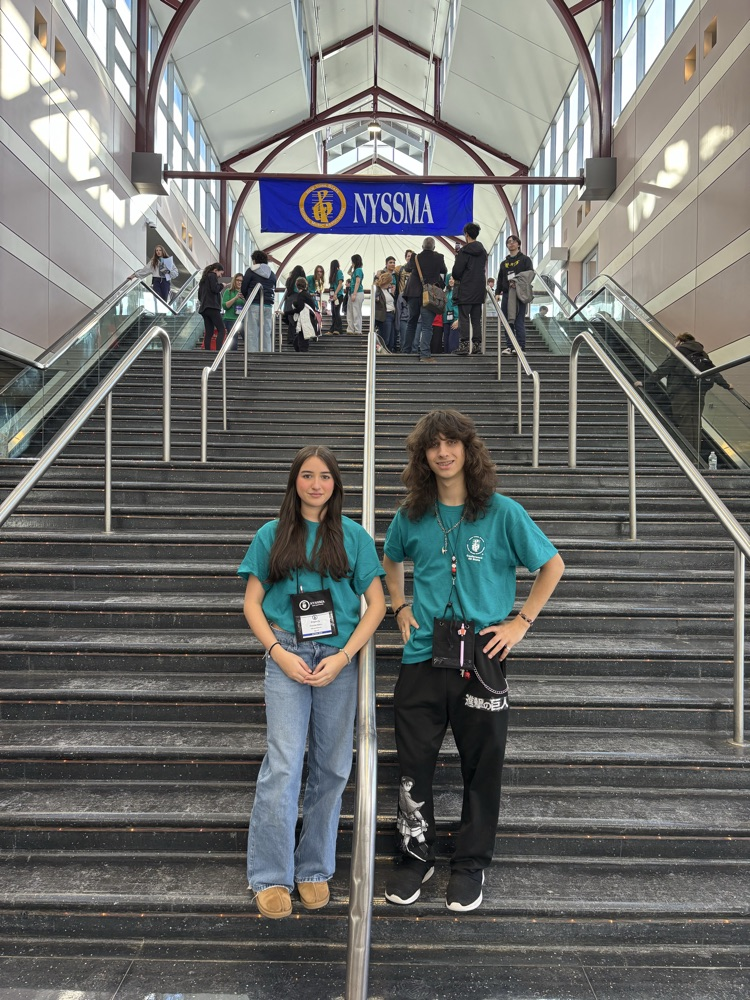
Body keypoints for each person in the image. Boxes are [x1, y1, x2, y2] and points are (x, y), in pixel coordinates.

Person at [382, 409, 564, 912]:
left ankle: (470, 863)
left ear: (467, 450)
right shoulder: (412, 516)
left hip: (481, 657)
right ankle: (415, 856)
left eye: (451, 443)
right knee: (413, 765)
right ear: (422, 457)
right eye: (432, 446)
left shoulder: (503, 512)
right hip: (422, 656)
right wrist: (399, 606)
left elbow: (552, 564)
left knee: (482, 767)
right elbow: (390, 559)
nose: (442, 453)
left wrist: (520, 623)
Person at [238, 445, 386, 919]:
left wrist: (345, 657)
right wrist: (277, 653)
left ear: (336, 485)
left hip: (336, 661)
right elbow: (251, 604)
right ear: (294, 481)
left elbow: (378, 605)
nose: (316, 484)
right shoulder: (271, 535)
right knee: (283, 763)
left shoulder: (354, 537)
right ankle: (270, 875)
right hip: (287, 653)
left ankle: (314, 868)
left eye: (325, 476)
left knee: (334, 766)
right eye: (307, 475)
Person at [642, 332, 732, 456]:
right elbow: (712, 371)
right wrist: (726, 385)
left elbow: (664, 369)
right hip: (698, 393)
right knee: (695, 424)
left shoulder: (680, 351)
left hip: (681, 393)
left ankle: (687, 458)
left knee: (684, 424)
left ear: (680, 341)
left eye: (675, 343)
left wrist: (645, 383)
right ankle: (695, 456)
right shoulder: (702, 353)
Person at [403, 237, 447, 364]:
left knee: (411, 322)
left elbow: (406, 269)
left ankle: (406, 351)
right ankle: (424, 355)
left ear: (422, 247)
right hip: (429, 295)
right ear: (434, 247)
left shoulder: (415, 257)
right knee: (427, 326)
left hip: (413, 294)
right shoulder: (439, 257)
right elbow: (444, 270)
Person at [452, 222, 488, 357]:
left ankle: (464, 345)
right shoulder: (483, 251)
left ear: (466, 234)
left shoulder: (464, 251)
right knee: (476, 319)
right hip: (479, 288)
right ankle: (477, 345)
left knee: (464, 318)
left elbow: (456, 272)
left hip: (466, 288)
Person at [496, 235, 534, 355]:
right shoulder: (504, 263)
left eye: (513, 241)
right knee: (507, 321)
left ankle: (521, 346)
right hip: (507, 294)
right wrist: (497, 292)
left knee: (519, 320)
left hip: (519, 293)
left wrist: (517, 282)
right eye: (508, 242)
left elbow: (530, 274)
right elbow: (500, 278)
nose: (511, 243)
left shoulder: (525, 260)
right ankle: (509, 346)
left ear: (518, 244)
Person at [241, 250, 277, 352]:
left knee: (252, 331)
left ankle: (252, 355)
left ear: (255, 260)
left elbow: (244, 287)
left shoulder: (251, 271)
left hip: (254, 303)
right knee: (266, 331)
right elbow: (274, 286)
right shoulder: (272, 274)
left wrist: (247, 297)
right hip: (268, 305)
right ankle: (267, 354)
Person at [198, 262, 225, 351]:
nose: (220, 276)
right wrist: (222, 285)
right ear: (215, 270)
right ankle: (218, 351)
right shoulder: (212, 275)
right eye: (220, 273)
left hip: (204, 308)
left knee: (209, 332)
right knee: (221, 330)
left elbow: (199, 296)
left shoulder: (203, 280)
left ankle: (207, 352)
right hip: (212, 307)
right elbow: (215, 289)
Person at [289, 276, 319, 352]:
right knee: (297, 342)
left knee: (302, 343)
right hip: (308, 320)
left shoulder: (301, 295)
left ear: (297, 285)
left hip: (305, 320)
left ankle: (303, 360)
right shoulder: (307, 295)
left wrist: (286, 312)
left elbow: (300, 308)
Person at [282, 265, 307, 347]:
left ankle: (290, 338)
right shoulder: (301, 280)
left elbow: (287, 290)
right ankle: (297, 339)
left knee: (291, 321)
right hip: (298, 300)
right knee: (298, 320)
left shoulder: (290, 279)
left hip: (289, 301)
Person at [374, 269, 397, 352]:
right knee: (385, 339)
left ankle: (386, 352)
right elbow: (376, 301)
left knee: (390, 340)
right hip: (385, 315)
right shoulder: (377, 290)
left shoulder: (387, 291)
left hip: (391, 315)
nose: (390, 284)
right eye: (389, 282)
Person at [221, 274, 245, 352]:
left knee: (247, 338)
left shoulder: (245, 293)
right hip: (230, 319)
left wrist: (244, 299)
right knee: (233, 341)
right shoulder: (228, 291)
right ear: (234, 280)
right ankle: (233, 359)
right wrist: (235, 298)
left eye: (241, 281)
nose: (239, 282)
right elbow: (225, 306)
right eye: (238, 280)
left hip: (241, 319)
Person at [346, 255, 365, 335]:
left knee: (356, 312)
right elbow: (348, 272)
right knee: (350, 311)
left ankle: (357, 329)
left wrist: (354, 293)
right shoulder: (355, 271)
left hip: (356, 292)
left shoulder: (358, 270)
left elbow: (358, 281)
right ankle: (351, 329)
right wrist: (351, 266)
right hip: (352, 293)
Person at [443, 277, 459, 355]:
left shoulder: (459, 291)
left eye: (453, 279)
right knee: (446, 342)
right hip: (446, 319)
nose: (451, 280)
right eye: (450, 279)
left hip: (455, 319)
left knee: (453, 343)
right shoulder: (446, 292)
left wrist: (459, 320)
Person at [328, 259, 345, 334]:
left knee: (336, 311)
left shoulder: (339, 272)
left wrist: (335, 294)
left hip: (338, 295)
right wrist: (331, 296)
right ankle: (333, 328)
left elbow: (340, 284)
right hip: (334, 296)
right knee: (334, 312)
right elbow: (331, 287)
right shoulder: (332, 274)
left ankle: (338, 329)